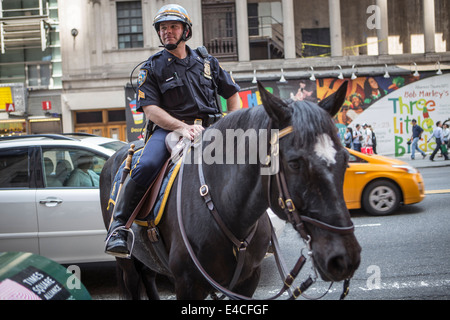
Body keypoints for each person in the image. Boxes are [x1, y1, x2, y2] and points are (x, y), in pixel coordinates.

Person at [105, 4, 241, 257]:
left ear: (185, 31)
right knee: (146, 165)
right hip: (169, 130)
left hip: (212, 130)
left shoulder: (208, 61)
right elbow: (150, 110)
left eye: (173, 27)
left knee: (249, 163)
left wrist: (229, 125)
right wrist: (182, 126)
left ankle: (258, 230)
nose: (167, 32)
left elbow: (233, 95)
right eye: (163, 28)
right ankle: (118, 228)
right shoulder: (153, 67)